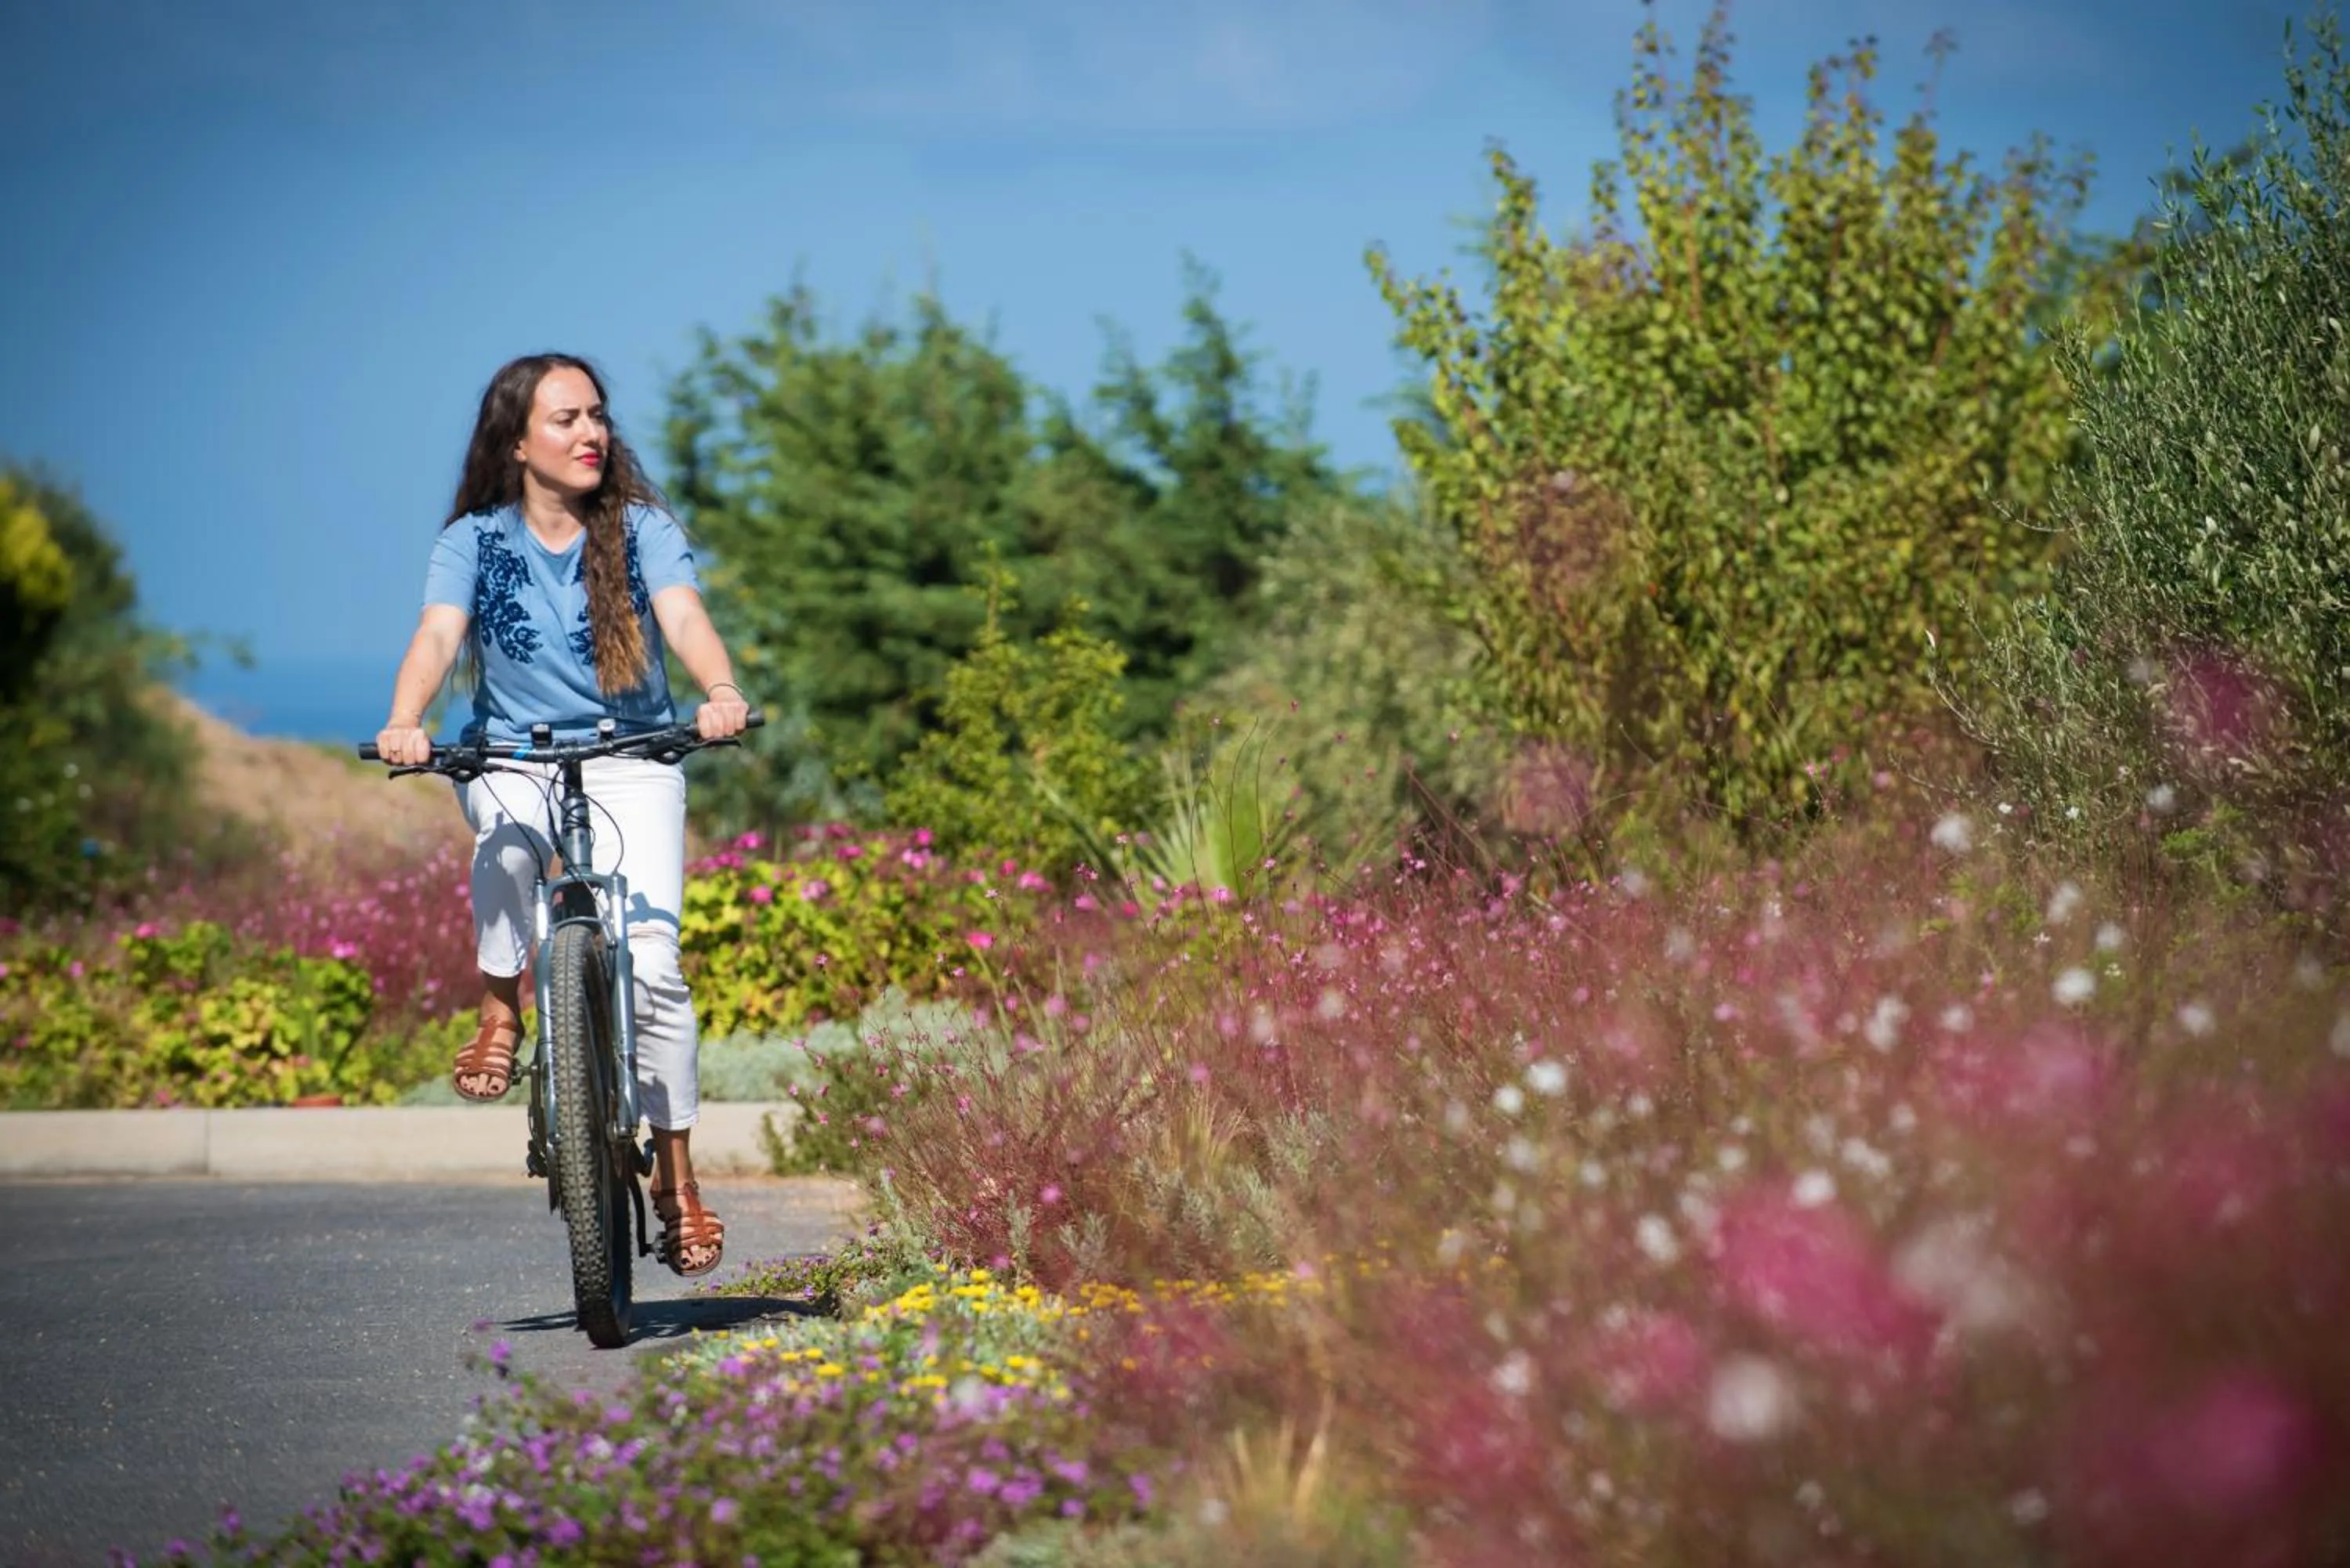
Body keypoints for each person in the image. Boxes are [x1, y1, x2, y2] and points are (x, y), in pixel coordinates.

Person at [374, 352, 749, 1277]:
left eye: (597, 415)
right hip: (513, 754)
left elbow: (685, 616)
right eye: (566, 418)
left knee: (654, 964)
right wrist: (406, 719)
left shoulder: (642, 530)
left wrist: (720, 690)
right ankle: (501, 1006)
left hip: (634, 755)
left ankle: (677, 1178)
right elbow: (437, 634)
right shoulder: (472, 541)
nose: (591, 433)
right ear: (516, 442)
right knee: (506, 844)